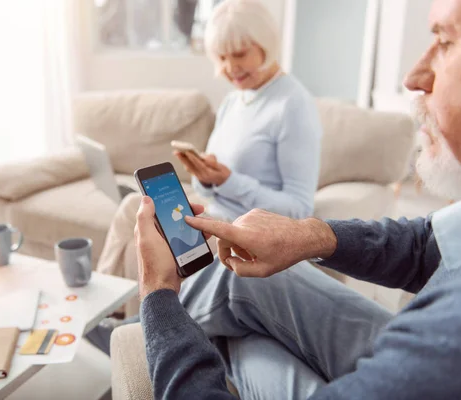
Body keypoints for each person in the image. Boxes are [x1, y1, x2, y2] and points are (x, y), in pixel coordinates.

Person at [134, 0, 461, 398]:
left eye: (444, 42)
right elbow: (426, 245)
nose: (412, 77)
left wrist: (157, 296)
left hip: (420, 363)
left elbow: (296, 200)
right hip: (414, 348)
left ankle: (140, 326)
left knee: (221, 316)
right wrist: (309, 236)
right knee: (242, 319)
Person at [90, 0, 322, 319]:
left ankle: (133, 321)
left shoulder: (292, 105)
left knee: (146, 224)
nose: (229, 68)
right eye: (222, 57)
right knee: (134, 206)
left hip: (243, 232)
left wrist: (230, 181)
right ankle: (109, 312)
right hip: (217, 213)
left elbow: (299, 210)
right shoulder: (233, 101)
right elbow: (216, 186)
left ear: (266, 44)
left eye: (239, 54)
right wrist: (207, 178)